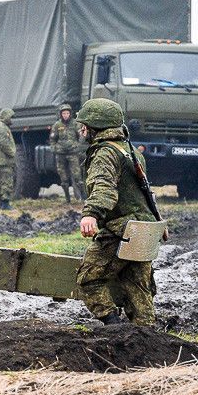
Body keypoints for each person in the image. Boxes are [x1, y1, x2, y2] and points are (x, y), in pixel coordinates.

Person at [74, 98, 158, 326]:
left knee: (88, 279)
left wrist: (91, 214)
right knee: (138, 289)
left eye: (84, 125)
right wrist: (158, 222)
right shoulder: (130, 150)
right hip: (146, 228)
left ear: (95, 127)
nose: (81, 129)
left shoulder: (104, 153)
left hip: (123, 229)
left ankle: (114, 327)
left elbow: (104, 188)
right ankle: (148, 339)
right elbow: (145, 192)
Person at [49, 103, 86, 203]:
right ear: (61, 114)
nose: (65, 115)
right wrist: (55, 148)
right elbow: (52, 139)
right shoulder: (57, 125)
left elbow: (82, 136)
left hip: (72, 154)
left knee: (77, 176)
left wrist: (77, 145)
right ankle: (67, 199)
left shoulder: (75, 124)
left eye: (67, 113)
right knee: (63, 178)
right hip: (61, 155)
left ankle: (83, 197)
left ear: (70, 114)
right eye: (63, 113)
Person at [0, 108, 17, 210]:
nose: (11, 120)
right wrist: (12, 153)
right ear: (5, 116)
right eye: (10, 117)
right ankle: (5, 204)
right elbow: (3, 143)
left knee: (0, 182)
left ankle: (1, 204)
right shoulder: (1, 127)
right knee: (6, 181)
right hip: (4, 160)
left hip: (0, 160)